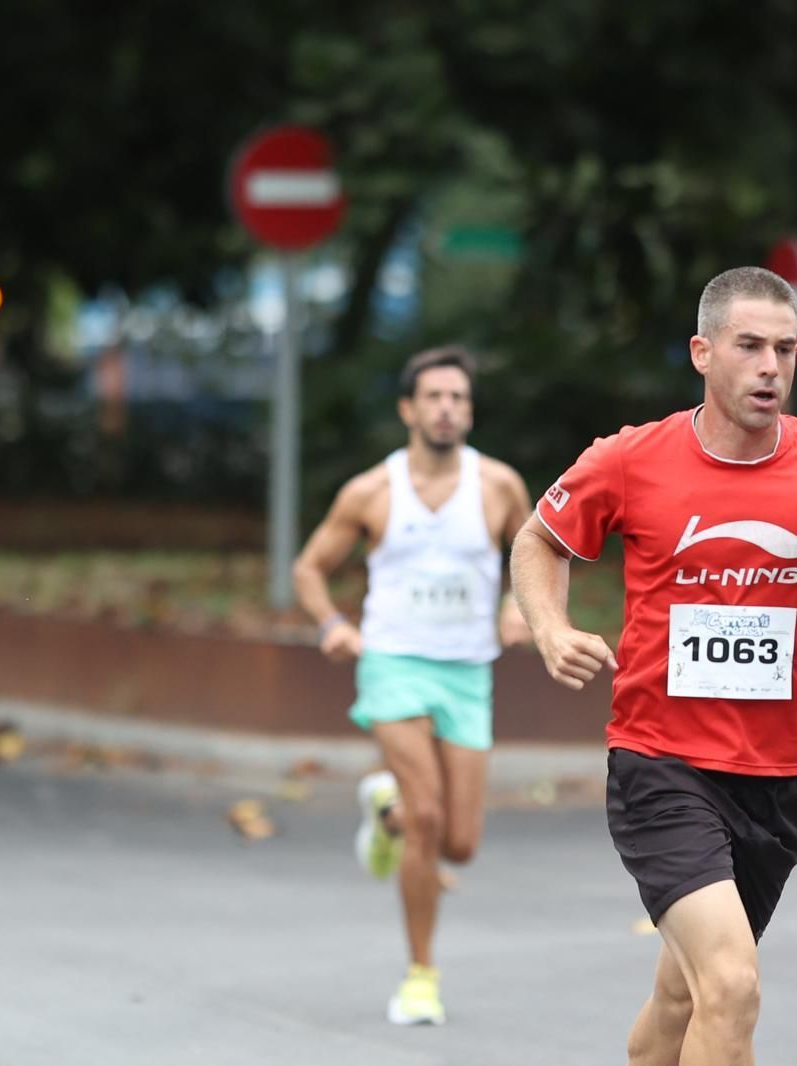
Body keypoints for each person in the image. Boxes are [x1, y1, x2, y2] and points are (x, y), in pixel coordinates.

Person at [510, 267, 797, 1064]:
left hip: (778, 778)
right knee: (733, 986)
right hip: (661, 766)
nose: (771, 365)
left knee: (685, 995)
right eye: (750, 346)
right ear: (703, 353)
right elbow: (539, 537)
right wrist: (550, 625)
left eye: (785, 348)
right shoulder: (632, 460)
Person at [292, 344, 533, 1026]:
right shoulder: (371, 491)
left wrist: (518, 607)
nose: (447, 408)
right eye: (434, 397)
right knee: (429, 820)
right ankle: (420, 976)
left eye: (458, 398)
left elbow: (537, 553)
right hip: (393, 662)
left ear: (469, 411)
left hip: (466, 669)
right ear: (408, 409)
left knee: (460, 844)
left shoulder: (499, 486)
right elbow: (310, 567)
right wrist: (332, 624)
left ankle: (384, 814)